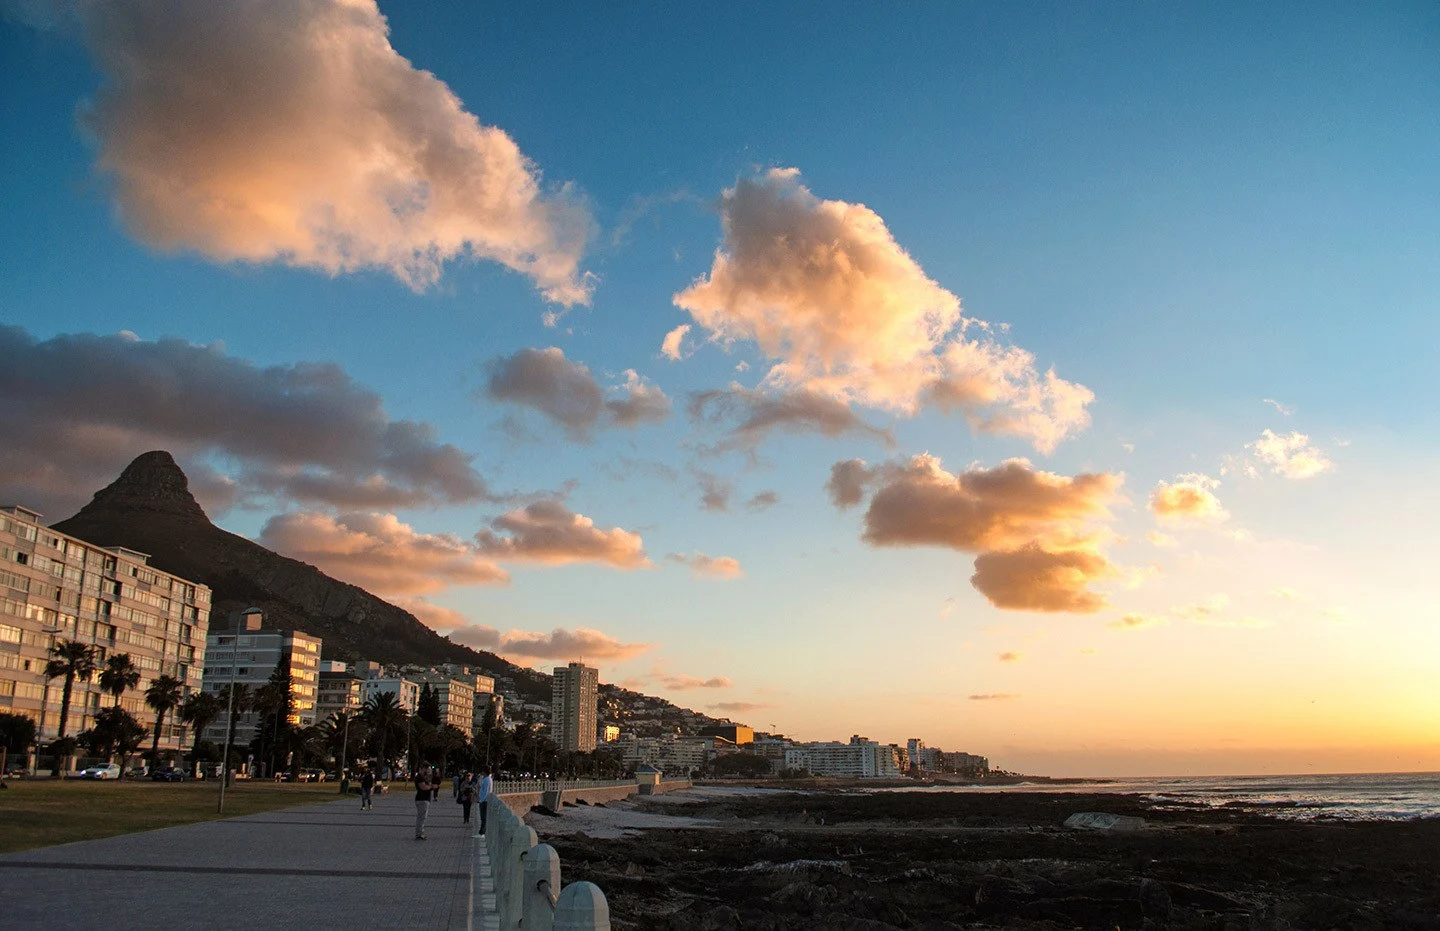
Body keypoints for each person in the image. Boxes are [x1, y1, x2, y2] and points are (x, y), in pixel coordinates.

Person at [413, 768, 434, 840]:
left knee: (421, 817)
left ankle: (419, 833)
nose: (429, 771)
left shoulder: (424, 777)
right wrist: (431, 787)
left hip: (424, 799)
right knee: (422, 817)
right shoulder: (420, 777)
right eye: (428, 769)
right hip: (422, 799)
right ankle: (419, 833)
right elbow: (423, 787)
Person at [476, 767, 494, 836]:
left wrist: (481, 800)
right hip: (483, 800)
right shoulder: (486, 779)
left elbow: (486, 792)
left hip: (484, 801)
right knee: (483, 817)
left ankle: (482, 832)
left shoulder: (487, 780)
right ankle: (482, 831)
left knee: (484, 817)